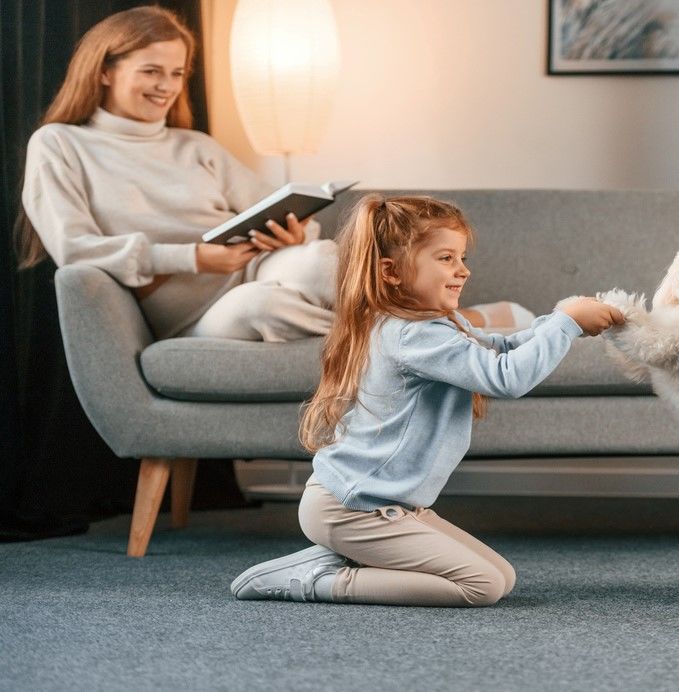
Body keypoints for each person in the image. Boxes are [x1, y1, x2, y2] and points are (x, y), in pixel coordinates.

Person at [18, 5, 527, 341]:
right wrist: (195, 257)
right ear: (105, 70)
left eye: (177, 74)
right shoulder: (61, 144)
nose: (167, 86)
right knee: (263, 307)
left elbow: (277, 209)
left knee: (320, 257)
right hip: (187, 313)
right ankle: (465, 330)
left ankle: (439, 333)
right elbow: (75, 249)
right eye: (150, 71)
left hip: (254, 267)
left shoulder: (195, 146)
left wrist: (294, 230)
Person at [230, 195, 624, 606]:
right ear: (392, 272)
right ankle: (318, 581)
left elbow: (499, 347)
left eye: (461, 257)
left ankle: (339, 556)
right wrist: (565, 325)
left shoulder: (427, 325)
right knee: (482, 586)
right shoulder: (413, 335)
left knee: (502, 577)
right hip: (352, 509)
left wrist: (557, 321)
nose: (463, 270)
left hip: (380, 507)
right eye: (446, 258)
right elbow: (505, 377)